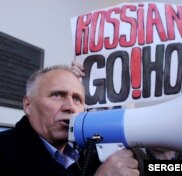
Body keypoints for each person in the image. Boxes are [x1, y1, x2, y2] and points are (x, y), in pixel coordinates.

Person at [0, 65, 140, 176]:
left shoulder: (85, 153)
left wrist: (159, 158)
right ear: (27, 105)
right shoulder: (5, 151)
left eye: (77, 99)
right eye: (57, 95)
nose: (70, 107)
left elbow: (157, 169)